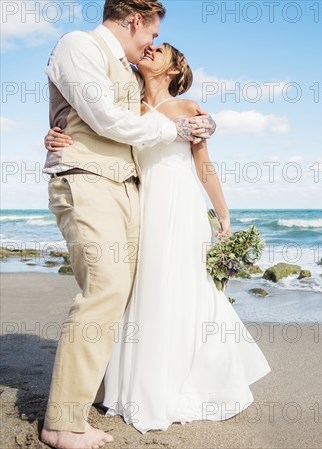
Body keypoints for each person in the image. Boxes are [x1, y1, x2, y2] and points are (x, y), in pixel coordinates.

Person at [45, 42, 272, 435]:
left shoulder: (189, 109)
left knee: (182, 289)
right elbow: (97, 127)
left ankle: (184, 379)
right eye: (149, 44)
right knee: (140, 290)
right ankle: (130, 383)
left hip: (180, 207)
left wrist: (223, 212)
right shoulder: (126, 108)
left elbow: (205, 167)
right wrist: (54, 137)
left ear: (173, 70)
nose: (149, 48)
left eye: (161, 49)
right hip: (139, 203)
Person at [40, 1, 217, 448]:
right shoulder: (77, 46)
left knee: (128, 292)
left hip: (129, 187)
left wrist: (201, 121)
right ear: (136, 20)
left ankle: (98, 390)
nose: (153, 43)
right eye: (153, 34)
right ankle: (62, 423)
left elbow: (153, 109)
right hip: (88, 180)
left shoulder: (130, 71)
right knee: (106, 289)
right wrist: (176, 131)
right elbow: (102, 118)